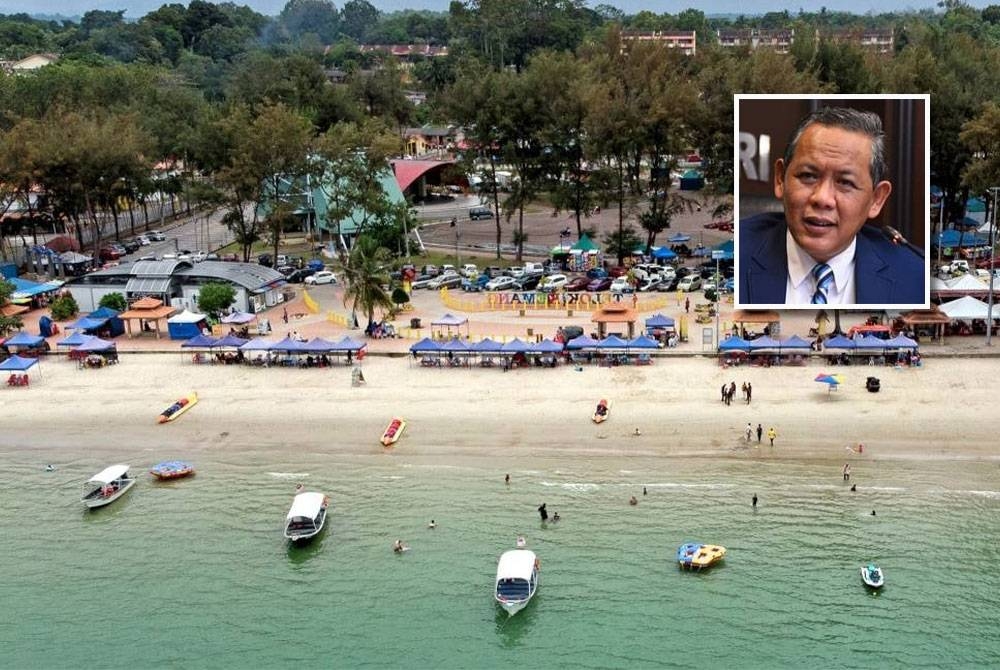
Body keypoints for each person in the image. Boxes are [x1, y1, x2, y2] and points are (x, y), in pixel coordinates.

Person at [738, 106, 924, 306]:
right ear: (780, 179)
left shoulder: (914, 278)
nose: (822, 198)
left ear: (876, 199)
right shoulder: (737, 254)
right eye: (808, 176)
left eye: (845, 183)